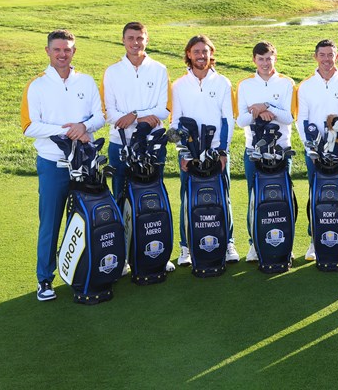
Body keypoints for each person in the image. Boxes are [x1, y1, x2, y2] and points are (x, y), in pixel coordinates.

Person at [22, 30, 105, 301]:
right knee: (51, 222)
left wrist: (84, 126)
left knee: (91, 220)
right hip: (53, 165)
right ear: (47, 51)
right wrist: (66, 130)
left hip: (86, 164)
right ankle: (45, 280)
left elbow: (99, 117)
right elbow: (29, 126)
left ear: (74, 51)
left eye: (67, 49)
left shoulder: (86, 81)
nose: (62, 54)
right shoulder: (37, 85)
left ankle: (91, 270)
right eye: (57, 49)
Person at [102, 22, 174, 275]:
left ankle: (157, 252)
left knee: (153, 198)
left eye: (140, 38)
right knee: (121, 200)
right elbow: (111, 114)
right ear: (123, 40)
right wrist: (142, 116)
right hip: (120, 144)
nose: (135, 42)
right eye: (131, 38)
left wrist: (132, 116)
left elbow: (164, 111)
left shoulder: (159, 69)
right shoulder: (112, 72)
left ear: (147, 39)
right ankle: (122, 257)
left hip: (153, 145)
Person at [171, 34, 238, 266]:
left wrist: (223, 151)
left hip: (216, 152)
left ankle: (228, 242)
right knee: (187, 197)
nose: (201, 56)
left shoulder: (222, 83)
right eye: (196, 51)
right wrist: (184, 152)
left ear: (211, 54)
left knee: (223, 196)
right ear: (189, 54)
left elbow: (228, 119)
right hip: (190, 153)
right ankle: (185, 246)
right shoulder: (179, 85)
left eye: (205, 51)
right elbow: (175, 123)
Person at [293, 39, 338, 262]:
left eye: (331, 55)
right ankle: (314, 240)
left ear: (336, 57)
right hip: (315, 152)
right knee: (315, 194)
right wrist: (310, 148)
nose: (327, 59)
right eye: (322, 55)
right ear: (316, 57)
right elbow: (301, 120)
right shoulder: (306, 85)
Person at [236, 41, 295, 263]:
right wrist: (257, 112)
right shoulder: (244, 85)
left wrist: (266, 106)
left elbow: (289, 117)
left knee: (283, 199)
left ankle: (285, 244)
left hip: (282, 149)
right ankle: (254, 244)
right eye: (260, 59)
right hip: (253, 150)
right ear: (254, 60)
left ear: (275, 59)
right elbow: (241, 120)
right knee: (255, 198)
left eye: (268, 58)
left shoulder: (286, 83)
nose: (264, 63)